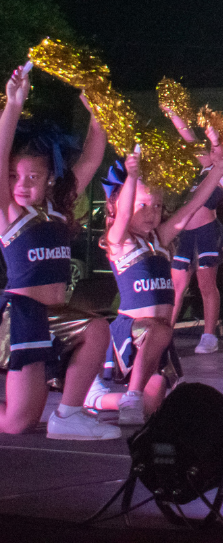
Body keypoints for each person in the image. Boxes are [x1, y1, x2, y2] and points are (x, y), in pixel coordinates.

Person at [0, 63, 116, 440]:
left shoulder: (58, 206)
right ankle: (64, 414)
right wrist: (13, 105)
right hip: (23, 318)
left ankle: (68, 416)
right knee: (17, 423)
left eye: (33, 176)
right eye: (15, 176)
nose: (21, 184)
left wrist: (98, 117)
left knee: (97, 328)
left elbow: (91, 159)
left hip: (55, 315)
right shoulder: (10, 215)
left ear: (51, 177)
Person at [95, 139, 223, 423]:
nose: (152, 212)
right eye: (143, 205)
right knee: (160, 330)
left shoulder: (159, 240)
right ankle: (131, 396)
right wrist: (132, 177)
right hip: (134, 332)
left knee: (154, 408)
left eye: (157, 206)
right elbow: (123, 214)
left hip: (156, 340)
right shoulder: (120, 242)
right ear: (121, 203)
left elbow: (193, 206)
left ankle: (96, 398)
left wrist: (217, 173)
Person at [164, 106, 223, 352]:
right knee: (176, 287)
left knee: (206, 285)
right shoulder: (205, 168)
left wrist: (217, 140)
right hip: (185, 235)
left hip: (207, 233)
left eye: (216, 147)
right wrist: (172, 112)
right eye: (210, 147)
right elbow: (189, 137)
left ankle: (209, 336)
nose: (210, 150)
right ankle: (164, 333)